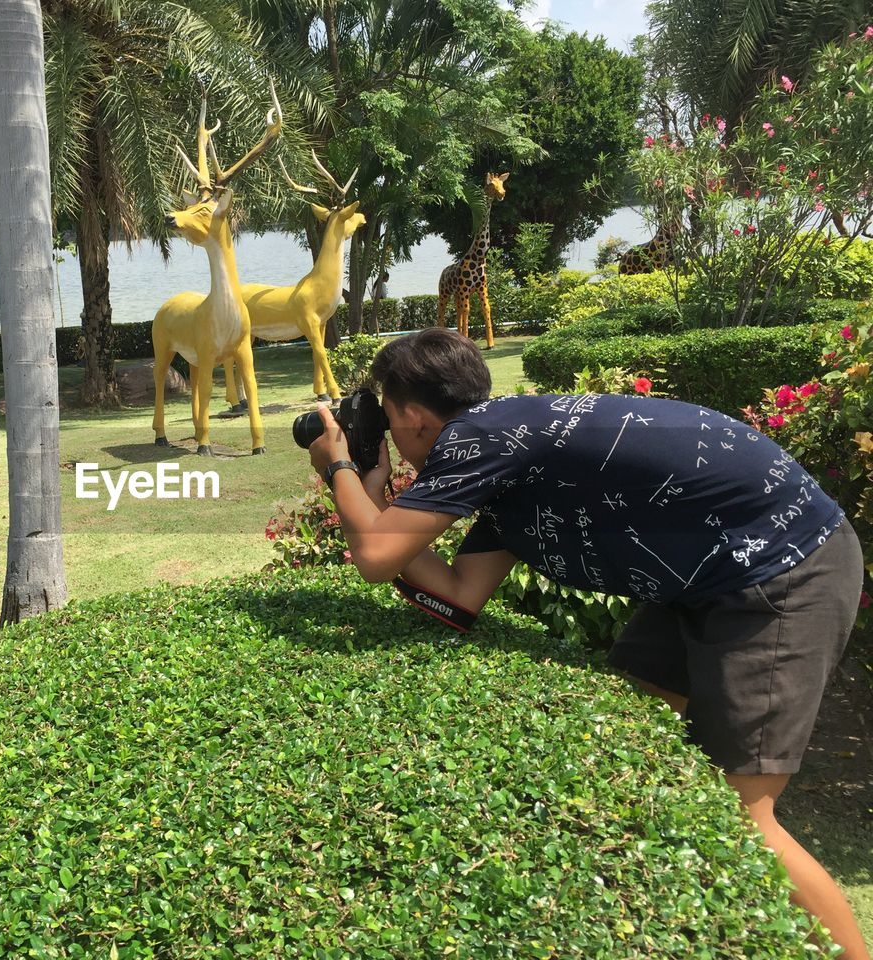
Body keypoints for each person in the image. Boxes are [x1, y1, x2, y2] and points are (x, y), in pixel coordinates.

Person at [307, 327, 868, 958]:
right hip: (704, 576)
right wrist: (374, 493)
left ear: (411, 415)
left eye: (385, 420)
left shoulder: (480, 437)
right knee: (635, 752)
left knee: (740, 818)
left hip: (782, 571)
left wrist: (341, 468)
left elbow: (378, 555)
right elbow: (460, 594)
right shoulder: (513, 448)